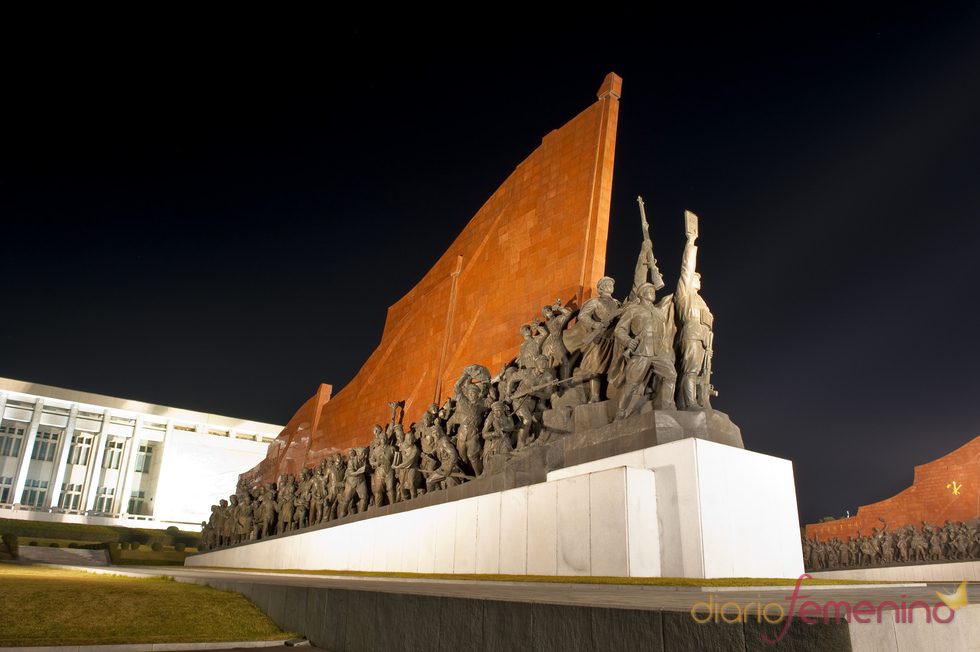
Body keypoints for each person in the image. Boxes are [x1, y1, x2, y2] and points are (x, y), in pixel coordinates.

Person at [614, 282, 676, 419]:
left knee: (671, 375)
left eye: (653, 290)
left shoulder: (658, 312)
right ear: (641, 294)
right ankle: (620, 414)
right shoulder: (633, 310)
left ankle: (666, 408)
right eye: (649, 290)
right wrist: (629, 341)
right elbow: (619, 330)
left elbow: (665, 333)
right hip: (642, 349)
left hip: (659, 350)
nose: (652, 292)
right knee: (631, 384)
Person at [674, 225, 714, 410]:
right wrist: (691, 242)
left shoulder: (701, 300)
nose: (698, 279)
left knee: (696, 372)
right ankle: (689, 404)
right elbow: (687, 268)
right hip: (690, 334)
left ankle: (687, 402)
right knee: (689, 371)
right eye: (695, 277)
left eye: (699, 278)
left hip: (702, 340)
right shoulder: (685, 294)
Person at [564, 276, 622, 403]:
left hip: (613, 339)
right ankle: (594, 396)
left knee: (611, 366)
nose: (609, 286)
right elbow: (583, 315)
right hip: (599, 338)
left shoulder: (617, 303)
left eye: (611, 284)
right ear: (600, 288)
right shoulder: (595, 301)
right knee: (595, 367)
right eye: (606, 284)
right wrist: (595, 324)